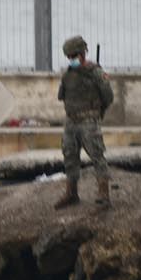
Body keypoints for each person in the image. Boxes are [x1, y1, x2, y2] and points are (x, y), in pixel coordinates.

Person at [54, 36, 115, 209]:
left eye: (73, 55)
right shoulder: (68, 75)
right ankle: (71, 193)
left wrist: (97, 111)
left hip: (89, 121)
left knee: (97, 156)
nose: (71, 59)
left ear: (82, 54)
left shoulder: (95, 72)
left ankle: (104, 195)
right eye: (69, 56)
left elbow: (108, 96)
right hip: (71, 122)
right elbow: (62, 96)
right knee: (70, 156)